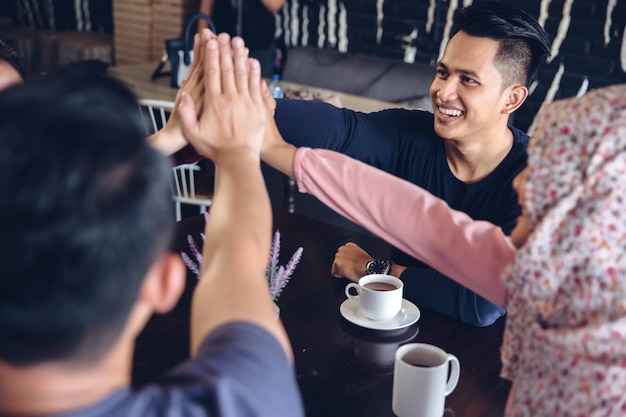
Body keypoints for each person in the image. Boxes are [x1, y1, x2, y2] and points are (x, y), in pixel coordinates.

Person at [261, 78, 626, 415]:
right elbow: (411, 213)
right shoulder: (528, 266)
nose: (524, 181)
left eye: (552, 172)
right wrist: (272, 143)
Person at [0, 32, 304, 417]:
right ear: (163, 283)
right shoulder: (245, 403)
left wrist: (172, 138)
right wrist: (238, 150)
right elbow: (237, 267)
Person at [268, 1, 551, 326]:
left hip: (489, 362)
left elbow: (481, 303)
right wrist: (242, 106)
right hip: (398, 329)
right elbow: (341, 129)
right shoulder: (412, 135)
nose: (443, 92)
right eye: (443, 73)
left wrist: (371, 270)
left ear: (512, 99)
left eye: (468, 80)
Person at [198, 0, 285, 77]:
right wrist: (201, 38)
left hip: (259, 45)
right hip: (222, 41)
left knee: (257, 86)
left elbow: (275, 4)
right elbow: (206, 6)